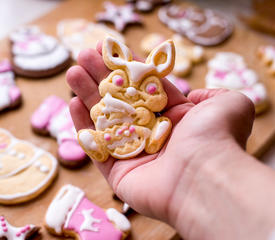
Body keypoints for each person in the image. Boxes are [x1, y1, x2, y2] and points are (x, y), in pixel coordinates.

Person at [66, 44, 275, 240]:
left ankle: (154, 137)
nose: (130, 92)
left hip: (138, 133)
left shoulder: (146, 113)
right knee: (92, 134)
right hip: (111, 134)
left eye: (147, 88)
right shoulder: (104, 105)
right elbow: (98, 113)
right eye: (120, 82)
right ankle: (97, 144)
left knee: (150, 129)